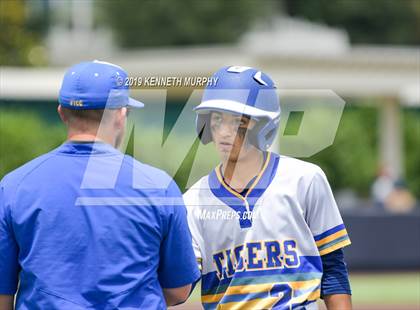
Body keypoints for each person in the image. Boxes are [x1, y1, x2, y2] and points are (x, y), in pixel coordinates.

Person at [0, 60, 200, 310]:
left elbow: (2, 295)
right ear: (120, 114)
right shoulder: (157, 185)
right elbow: (178, 291)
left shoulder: (14, 186)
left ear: (62, 112)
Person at [183, 66, 352, 309]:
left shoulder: (305, 179)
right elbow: (180, 287)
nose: (224, 131)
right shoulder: (193, 201)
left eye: (237, 121)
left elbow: (333, 269)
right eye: (217, 119)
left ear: (263, 124)